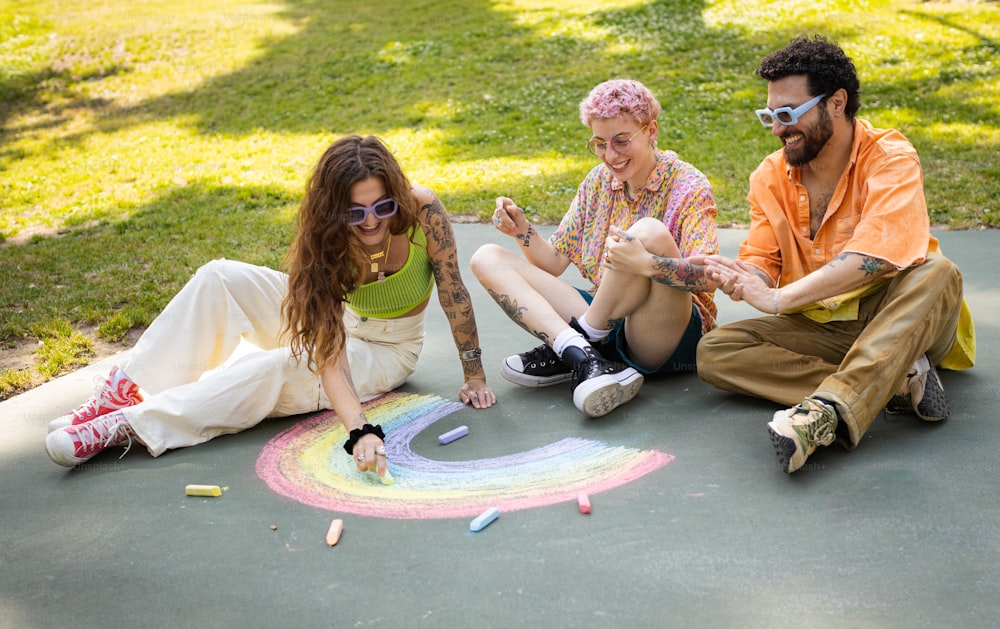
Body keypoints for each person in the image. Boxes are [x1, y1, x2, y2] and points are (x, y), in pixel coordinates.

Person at [45, 135, 497, 474]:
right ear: (333, 211)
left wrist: (473, 373)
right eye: (355, 213)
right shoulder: (323, 238)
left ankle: (129, 425)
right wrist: (359, 426)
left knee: (278, 366)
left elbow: (452, 290)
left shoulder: (423, 212)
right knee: (219, 276)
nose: (372, 221)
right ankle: (120, 394)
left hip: (386, 348)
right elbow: (327, 347)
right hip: (337, 329)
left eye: (382, 207)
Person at [696, 35, 975, 474]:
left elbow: (877, 257)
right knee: (715, 351)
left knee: (939, 272)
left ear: (837, 103)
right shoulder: (768, 176)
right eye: (769, 115)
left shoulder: (891, 158)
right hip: (824, 324)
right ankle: (895, 382)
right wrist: (731, 274)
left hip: (904, 314)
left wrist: (778, 300)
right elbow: (764, 264)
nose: (775, 129)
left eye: (787, 114)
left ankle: (822, 413)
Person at [470, 79, 719, 418]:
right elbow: (554, 262)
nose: (611, 155)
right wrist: (522, 231)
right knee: (487, 257)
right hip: (607, 315)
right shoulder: (598, 182)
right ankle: (580, 352)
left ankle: (580, 341)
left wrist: (647, 264)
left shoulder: (688, 185)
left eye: (621, 140)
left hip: (666, 332)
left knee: (648, 231)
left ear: (651, 130)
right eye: (600, 144)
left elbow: (708, 278)